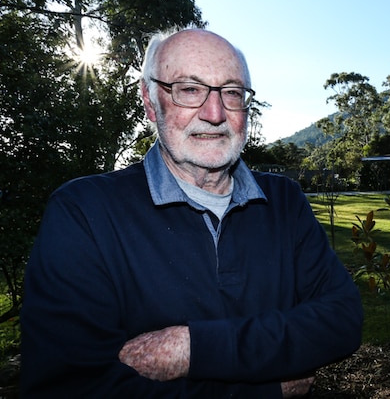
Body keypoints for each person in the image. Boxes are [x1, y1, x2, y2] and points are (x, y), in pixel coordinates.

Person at [20, 28, 363, 397]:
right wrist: (266, 391)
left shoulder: (283, 200)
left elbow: (341, 320)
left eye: (231, 92)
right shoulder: (84, 212)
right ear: (151, 102)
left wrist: (190, 348)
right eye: (189, 89)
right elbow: (69, 387)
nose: (215, 114)